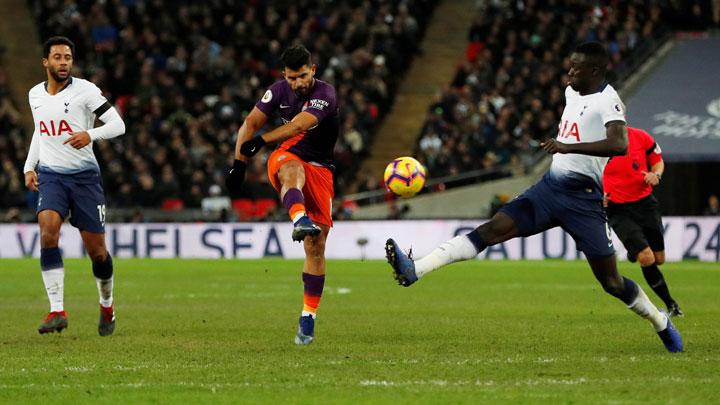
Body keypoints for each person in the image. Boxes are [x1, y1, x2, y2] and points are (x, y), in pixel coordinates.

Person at [385, 42, 683, 353]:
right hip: (550, 189)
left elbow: (619, 144)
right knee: (490, 230)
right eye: (570, 65)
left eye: (576, 68)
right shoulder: (572, 93)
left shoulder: (609, 101)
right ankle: (416, 269)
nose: (569, 73)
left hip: (584, 200)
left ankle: (660, 321)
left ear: (594, 71)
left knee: (612, 283)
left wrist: (567, 147)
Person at [225, 45, 339, 345]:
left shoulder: (326, 94)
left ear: (313, 70)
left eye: (302, 76)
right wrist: (239, 164)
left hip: (322, 170)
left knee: (316, 247)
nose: (297, 83)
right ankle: (299, 218)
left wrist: (261, 141)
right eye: (291, 78)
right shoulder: (277, 91)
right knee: (290, 170)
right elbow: (250, 123)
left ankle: (308, 317)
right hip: (289, 155)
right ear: (284, 75)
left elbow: (300, 124)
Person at [23, 37, 125, 335]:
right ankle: (57, 310)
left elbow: (118, 125)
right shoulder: (35, 95)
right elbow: (41, 132)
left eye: (67, 57)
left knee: (98, 253)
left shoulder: (86, 91)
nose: (63, 62)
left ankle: (107, 305)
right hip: (51, 176)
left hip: (84, 180)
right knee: (48, 232)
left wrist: (90, 135)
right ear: (46, 62)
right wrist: (29, 166)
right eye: (57, 57)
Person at [603, 127, 682, 317]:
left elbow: (657, 161)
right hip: (617, 209)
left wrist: (656, 174)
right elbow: (586, 173)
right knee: (646, 258)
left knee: (659, 259)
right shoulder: (597, 144)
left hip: (645, 204)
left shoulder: (641, 137)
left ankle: (634, 250)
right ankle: (671, 304)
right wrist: (598, 194)